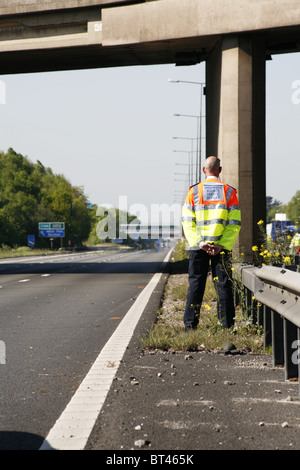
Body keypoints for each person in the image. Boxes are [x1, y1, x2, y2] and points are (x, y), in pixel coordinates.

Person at [181, 156, 241, 331]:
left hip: (198, 247)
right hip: (220, 248)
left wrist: (199, 243)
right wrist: (222, 244)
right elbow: (234, 223)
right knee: (223, 286)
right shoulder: (229, 192)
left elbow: (187, 221)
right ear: (220, 170)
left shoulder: (194, 192)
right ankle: (226, 327)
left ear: (203, 170)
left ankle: (190, 327)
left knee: (196, 285)